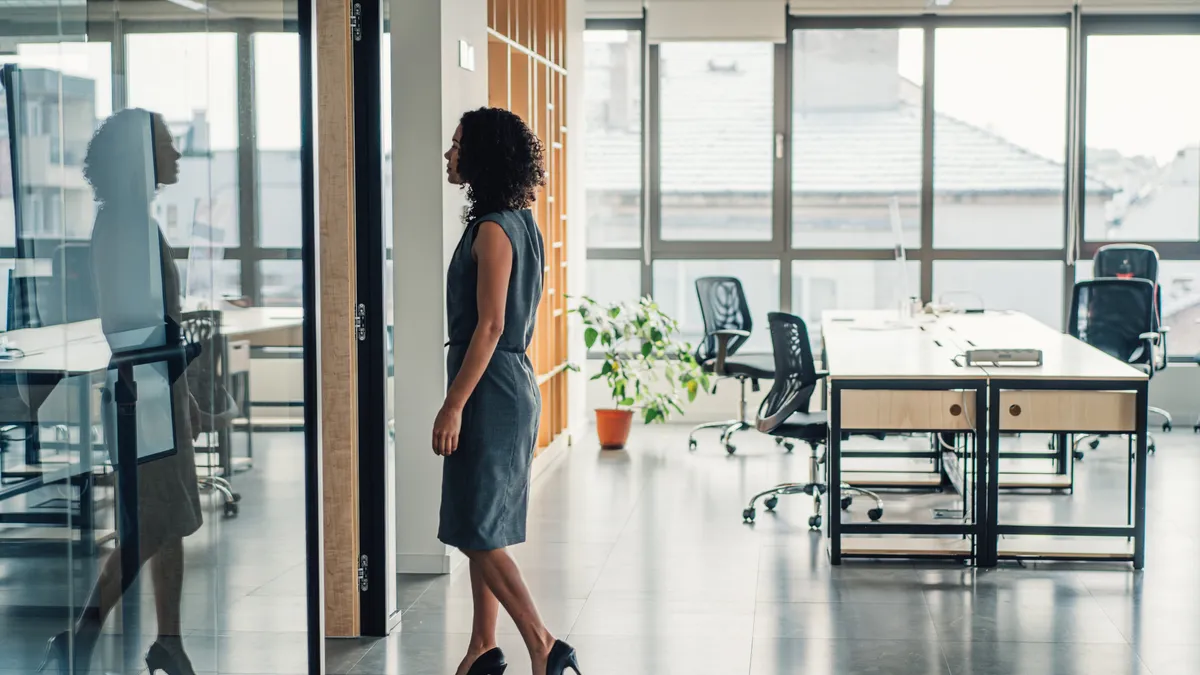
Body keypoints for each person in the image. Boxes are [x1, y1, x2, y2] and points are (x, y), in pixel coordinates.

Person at [40, 109, 202, 675]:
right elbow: (130, 321)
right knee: (155, 521)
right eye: (167, 144)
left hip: (156, 388)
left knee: (169, 516)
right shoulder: (126, 226)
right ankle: (84, 633)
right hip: (145, 393)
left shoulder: (133, 221)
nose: (176, 155)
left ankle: (169, 642)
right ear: (140, 158)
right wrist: (175, 357)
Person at [434, 107, 581, 675]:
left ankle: (544, 645)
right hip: (503, 381)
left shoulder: (494, 228)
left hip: (490, 387)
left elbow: (491, 326)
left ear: (481, 158)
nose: (449, 155)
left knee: (475, 527)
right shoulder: (519, 220)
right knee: (481, 522)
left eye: (456, 146)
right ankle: (481, 646)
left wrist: (453, 405)